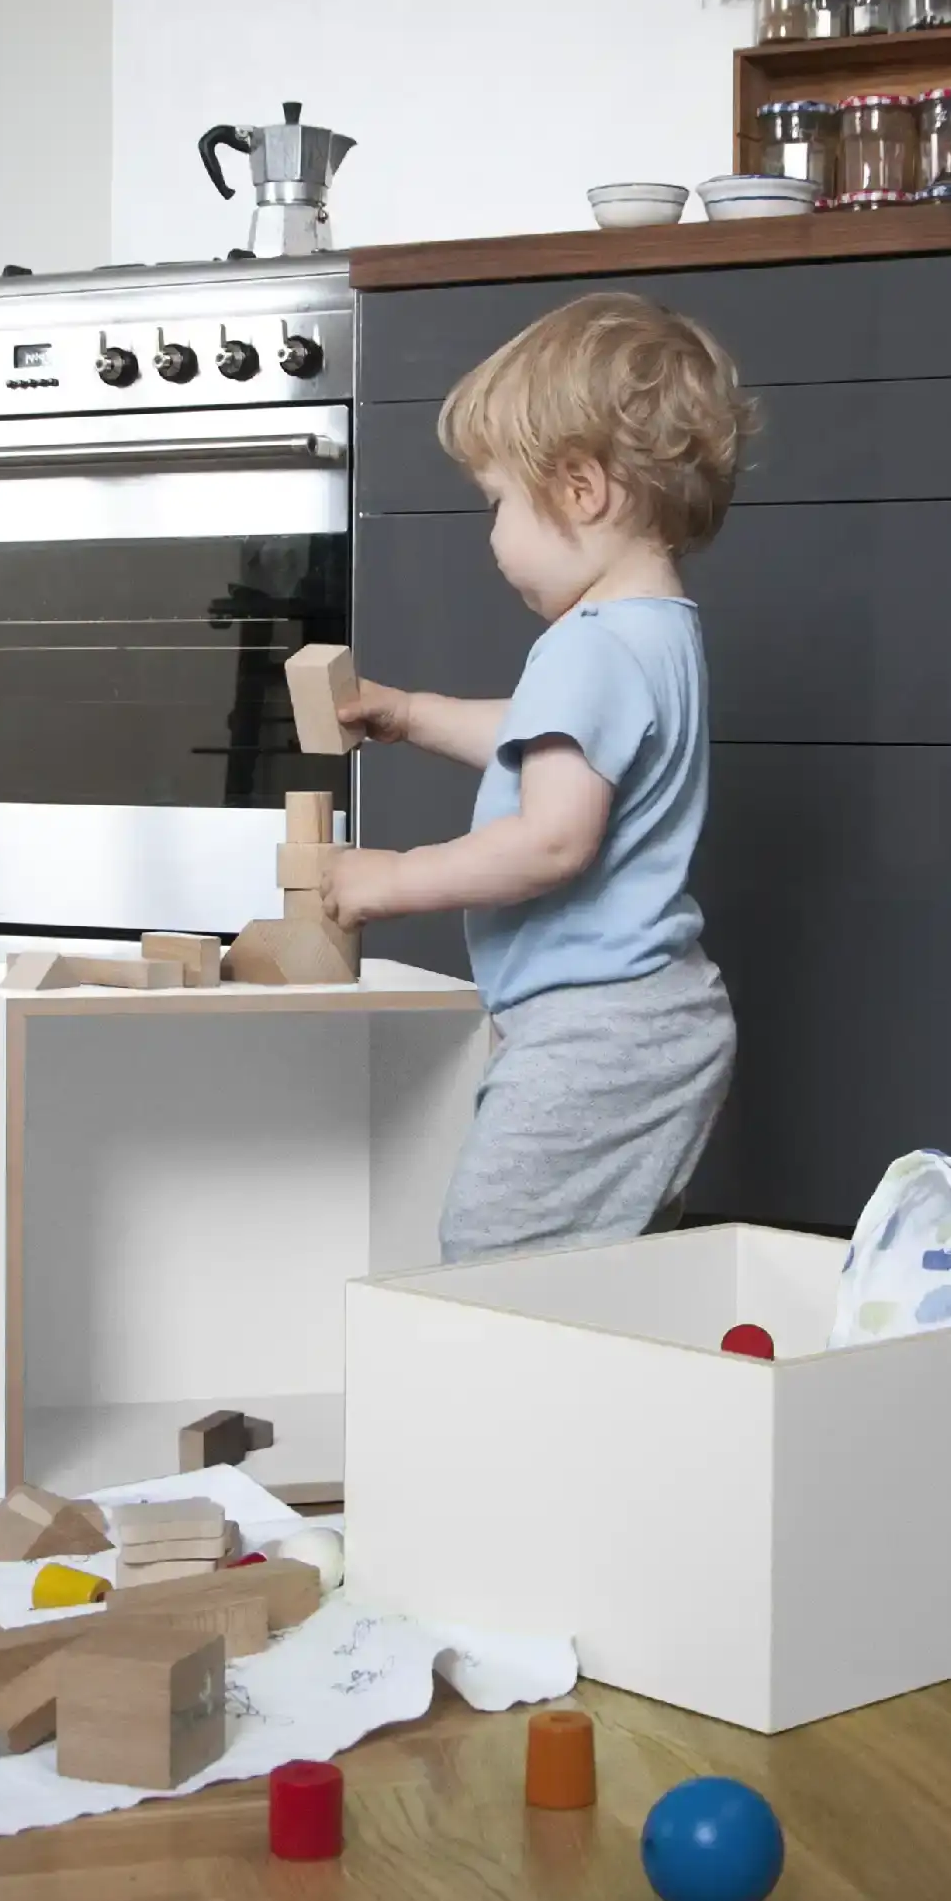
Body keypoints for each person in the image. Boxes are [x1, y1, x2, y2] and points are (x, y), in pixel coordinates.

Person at [321, 291, 749, 1261]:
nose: (491, 536)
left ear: (581, 489)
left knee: (498, 1255)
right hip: (650, 1020)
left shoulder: (586, 645)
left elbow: (556, 836)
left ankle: (517, 1416)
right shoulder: (659, 633)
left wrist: (390, 880)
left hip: (597, 1030)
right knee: (590, 1272)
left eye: (499, 502)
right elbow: (556, 746)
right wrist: (417, 715)